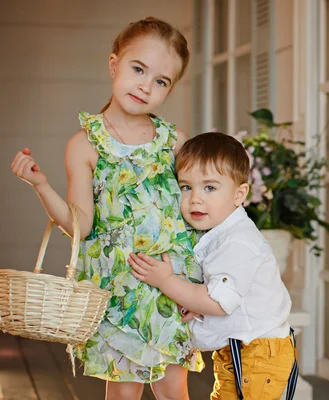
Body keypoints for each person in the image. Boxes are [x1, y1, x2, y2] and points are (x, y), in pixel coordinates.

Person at [11, 17, 203, 400]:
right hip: (115, 291)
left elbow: (198, 213)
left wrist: (198, 289)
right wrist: (41, 185)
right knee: (122, 394)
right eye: (138, 69)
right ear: (114, 64)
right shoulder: (85, 144)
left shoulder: (175, 142)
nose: (146, 85)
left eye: (161, 81)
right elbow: (79, 223)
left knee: (173, 391)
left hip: (169, 284)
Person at [129, 132, 298, 400]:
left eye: (209, 188)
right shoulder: (221, 235)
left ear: (239, 194)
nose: (195, 198)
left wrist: (166, 281)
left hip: (257, 355)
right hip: (242, 351)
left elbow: (218, 303)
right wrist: (195, 308)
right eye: (186, 187)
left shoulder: (238, 242)